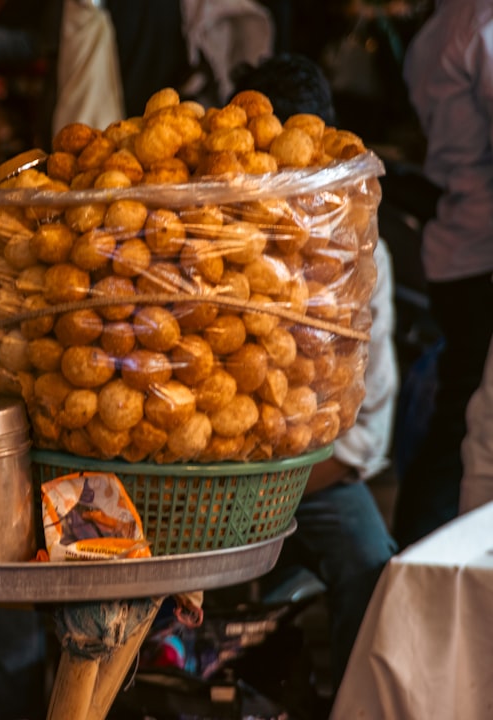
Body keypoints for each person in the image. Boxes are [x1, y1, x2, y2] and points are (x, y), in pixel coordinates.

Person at [228, 53, 399, 693]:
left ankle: (353, 703)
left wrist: (271, 489)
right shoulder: (205, 241)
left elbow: (360, 439)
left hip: (314, 477)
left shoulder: (357, 253)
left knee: (371, 561)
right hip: (205, 480)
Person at [393, 0, 493, 547]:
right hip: (479, 255)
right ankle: (423, 558)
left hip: (455, 248)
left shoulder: (438, 29)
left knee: (461, 413)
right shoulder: (480, 28)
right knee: (466, 420)